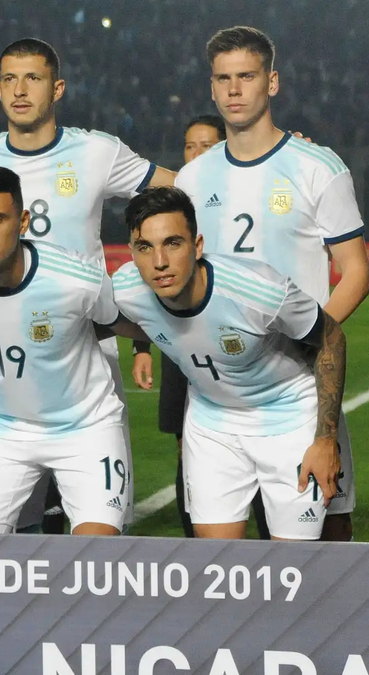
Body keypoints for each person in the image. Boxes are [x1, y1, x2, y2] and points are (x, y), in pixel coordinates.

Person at [0, 37, 178, 533]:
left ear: (58, 87)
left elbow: (183, 190)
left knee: (94, 522)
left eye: (34, 78)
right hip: (2, 351)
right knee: (6, 522)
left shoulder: (96, 151)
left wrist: (252, 158)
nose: (19, 90)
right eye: (9, 78)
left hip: (87, 342)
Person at [175, 26, 369, 541]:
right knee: (218, 560)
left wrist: (314, 335)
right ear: (211, 89)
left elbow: (356, 270)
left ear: (273, 82)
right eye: (224, 78)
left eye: (247, 76)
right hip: (222, 385)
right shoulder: (192, 180)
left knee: (326, 542)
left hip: (298, 382)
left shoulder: (316, 166)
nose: (235, 89)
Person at [0, 167, 143, 535]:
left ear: (23, 221)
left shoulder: (76, 278)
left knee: (96, 561)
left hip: (85, 427)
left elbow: (125, 321)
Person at [113, 187, 347, 540]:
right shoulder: (126, 289)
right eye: (145, 247)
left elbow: (331, 338)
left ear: (198, 245)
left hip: (287, 416)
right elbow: (103, 318)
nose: (159, 261)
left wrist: (326, 440)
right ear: (132, 253)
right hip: (212, 424)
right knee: (216, 563)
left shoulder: (259, 290)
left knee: (295, 565)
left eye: (173, 243)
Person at [133, 114, 235, 538]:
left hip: (231, 327)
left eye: (207, 146)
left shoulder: (238, 190)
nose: (196, 155)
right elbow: (139, 295)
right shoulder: (173, 204)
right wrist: (141, 348)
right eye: (190, 147)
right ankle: (197, 531)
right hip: (181, 338)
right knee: (185, 440)